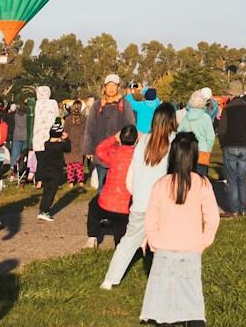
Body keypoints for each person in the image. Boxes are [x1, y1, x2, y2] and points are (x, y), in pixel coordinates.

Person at [139, 132, 219, 325]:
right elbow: (213, 219)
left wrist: (154, 241)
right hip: (191, 249)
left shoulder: (161, 184)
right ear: (194, 156)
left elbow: (151, 218)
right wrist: (203, 241)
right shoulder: (202, 183)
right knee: (192, 298)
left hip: (164, 249)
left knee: (163, 300)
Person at [101, 103, 175, 290]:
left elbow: (131, 174)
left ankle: (110, 279)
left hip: (141, 202)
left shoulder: (142, 141)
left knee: (128, 241)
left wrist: (136, 193)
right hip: (162, 202)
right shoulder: (174, 141)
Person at [215, 81, 246, 217]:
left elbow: (222, 130)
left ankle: (234, 208)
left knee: (232, 178)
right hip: (243, 146)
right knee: (242, 177)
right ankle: (243, 208)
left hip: (230, 145)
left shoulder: (228, 108)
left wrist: (223, 144)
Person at [88, 125, 136, 249]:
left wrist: (113, 139)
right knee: (121, 229)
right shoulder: (137, 156)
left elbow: (99, 150)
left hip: (105, 202)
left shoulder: (114, 153)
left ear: (120, 138)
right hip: (125, 206)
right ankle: (119, 248)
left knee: (93, 207)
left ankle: (92, 237)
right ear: (136, 140)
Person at [81, 75, 131, 191]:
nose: (111, 88)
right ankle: (101, 209)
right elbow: (90, 128)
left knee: (118, 188)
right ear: (104, 87)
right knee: (102, 188)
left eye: (114, 85)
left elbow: (130, 126)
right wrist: (89, 149)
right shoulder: (97, 105)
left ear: (118, 87)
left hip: (119, 154)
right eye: (108, 85)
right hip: (101, 154)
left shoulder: (125, 105)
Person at [35, 115, 72, 222]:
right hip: (55, 173)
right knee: (51, 193)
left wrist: (39, 178)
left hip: (46, 172)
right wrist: (67, 139)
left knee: (46, 192)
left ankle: (42, 209)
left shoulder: (46, 144)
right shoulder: (60, 146)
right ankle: (44, 211)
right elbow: (68, 149)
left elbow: (41, 162)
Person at [178, 89, 217, 180]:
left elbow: (180, 134)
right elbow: (211, 137)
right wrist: (208, 150)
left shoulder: (186, 117)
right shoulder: (205, 118)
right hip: (202, 151)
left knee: (188, 179)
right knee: (201, 180)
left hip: (188, 151)